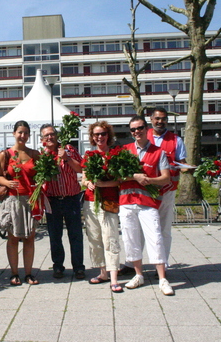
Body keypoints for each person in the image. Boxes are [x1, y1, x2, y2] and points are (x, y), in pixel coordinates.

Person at [119, 115, 173, 296]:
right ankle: (138, 274)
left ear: (146, 128)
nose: (137, 132)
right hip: (127, 202)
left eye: (140, 128)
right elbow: (117, 177)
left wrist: (149, 180)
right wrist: (135, 176)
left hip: (148, 203)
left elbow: (166, 178)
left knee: (155, 238)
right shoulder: (125, 151)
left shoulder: (159, 152)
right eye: (133, 129)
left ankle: (162, 278)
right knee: (131, 239)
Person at [0, 120, 41, 286]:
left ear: (29, 135)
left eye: (26, 133)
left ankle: (28, 273)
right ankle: (14, 273)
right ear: (14, 133)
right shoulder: (5, 154)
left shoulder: (34, 154)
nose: (23, 135)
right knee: (13, 238)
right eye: (20, 132)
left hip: (30, 200)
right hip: (12, 200)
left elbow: (42, 174)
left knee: (29, 237)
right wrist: (6, 183)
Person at [40, 124, 85, 280]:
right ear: (42, 140)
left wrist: (67, 158)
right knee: (55, 236)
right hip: (52, 200)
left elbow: (80, 168)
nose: (50, 137)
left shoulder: (68, 149)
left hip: (71, 199)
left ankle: (78, 267)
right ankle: (58, 266)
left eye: (52, 134)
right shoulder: (43, 156)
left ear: (57, 136)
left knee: (75, 235)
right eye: (46, 136)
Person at [82, 121, 123, 292]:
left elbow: (120, 180)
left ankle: (114, 277)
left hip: (109, 202)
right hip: (90, 202)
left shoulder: (115, 155)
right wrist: (88, 183)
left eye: (103, 134)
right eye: (96, 134)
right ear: (92, 137)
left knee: (110, 238)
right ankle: (102, 272)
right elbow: (83, 179)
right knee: (95, 239)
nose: (100, 137)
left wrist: (103, 185)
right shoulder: (89, 156)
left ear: (109, 136)